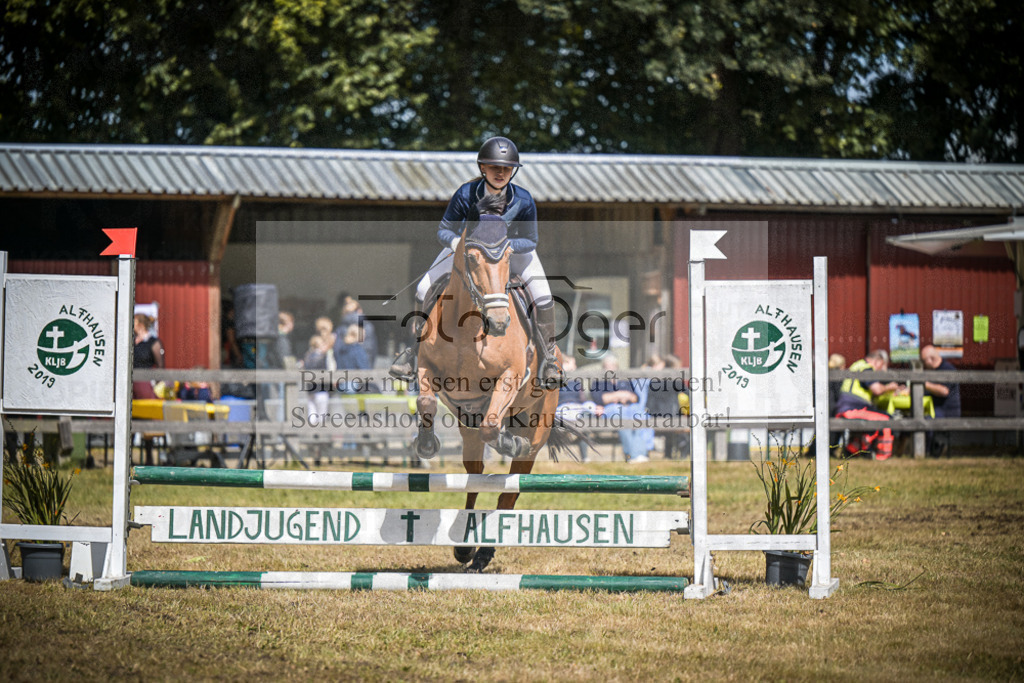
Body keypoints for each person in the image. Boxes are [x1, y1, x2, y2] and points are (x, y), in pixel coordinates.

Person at [389, 136, 562, 385]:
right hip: (468, 251)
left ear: (513, 171)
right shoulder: (465, 193)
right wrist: (459, 245)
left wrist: (503, 248)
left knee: (543, 296)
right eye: (495, 167)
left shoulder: (523, 200)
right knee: (423, 287)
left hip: (512, 253)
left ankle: (549, 361)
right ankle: (412, 353)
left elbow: (530, 240)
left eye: (506, 168)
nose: (501, 172)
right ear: (483, 168)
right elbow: (444, 229)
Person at [835, 349, 903, 459]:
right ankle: (882, 455)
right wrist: (889, 387)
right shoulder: (867, 369)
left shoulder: (857, 365)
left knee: (873, 419)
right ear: (878, 361)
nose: (881, 370)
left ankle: (853, 450)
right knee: (886, 419)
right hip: (854, 409)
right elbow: (876, 389)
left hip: (846, 408)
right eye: (882, 366)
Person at [589, 355, 653, 463]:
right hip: (610, 410)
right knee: (621, 416)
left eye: (613, 366)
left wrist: (616, 396)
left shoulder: (624, 380)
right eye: (607, 366)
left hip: (629, 407)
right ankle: (632, 455)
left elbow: (635, 397)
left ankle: (643, 452)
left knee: (641, 415)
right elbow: (600, 399)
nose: (610, 369)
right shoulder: (598, 382)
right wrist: (621, 395)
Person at [920, 344, 961, 457]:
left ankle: (927, 453)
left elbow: (944, 391)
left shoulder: (948, 369)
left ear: (931, 359)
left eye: (923, 361)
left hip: (947, 411)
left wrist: (925, 384)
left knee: (925, 420)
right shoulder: (931, 370)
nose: (923, 364)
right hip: (935, 408)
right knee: (915, 416)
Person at [337, 293, 378, 368]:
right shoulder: (368, 326)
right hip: (365, 365)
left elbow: (337, 350)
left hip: (344, 371)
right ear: (360, 310)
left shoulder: (341, 328)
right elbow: (373, 349)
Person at [132, 313, 164, 399]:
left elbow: (160, 366)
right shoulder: (132, 342)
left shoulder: (153, 342)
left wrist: (156, 384)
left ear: (140, 325)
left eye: (133, 322)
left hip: (145, 382)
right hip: (131, 382)